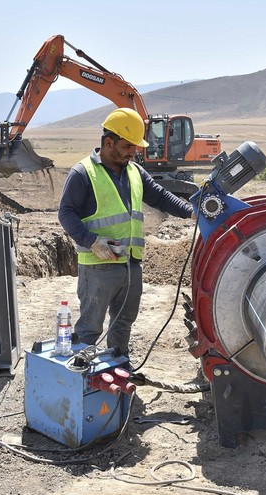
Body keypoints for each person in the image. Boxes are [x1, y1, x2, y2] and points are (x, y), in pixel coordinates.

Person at [58, 107, 196, 355]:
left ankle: (119, 368)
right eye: (128, 146)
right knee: (90, 329)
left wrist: (190, 212)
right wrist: (92, 241)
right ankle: (84, 381)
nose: (134, 152)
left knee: (122, 325)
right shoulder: (83, 173)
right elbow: (66, 213)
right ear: (109, 143)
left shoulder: (135, 171)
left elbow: (161, 197)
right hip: (98, 265)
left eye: (135, 146)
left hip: (131, 264)